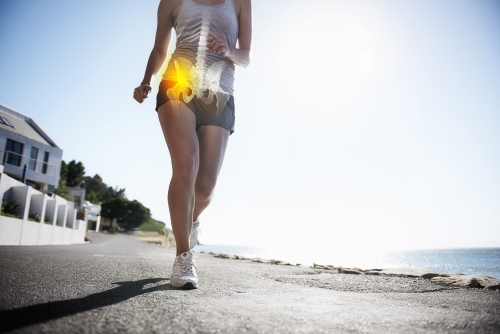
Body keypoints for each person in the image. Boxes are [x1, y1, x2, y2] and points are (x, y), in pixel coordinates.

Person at [133, 0, 252, 289]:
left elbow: (245, 56)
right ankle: (183, 256)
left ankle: (192, 218)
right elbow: (160, 48)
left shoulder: (240, 2)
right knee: (186, 164)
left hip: (220, 91)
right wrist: (146, 80)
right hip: (177, 82)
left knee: (204, 187)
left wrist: (227, 49)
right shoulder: (172, 2)